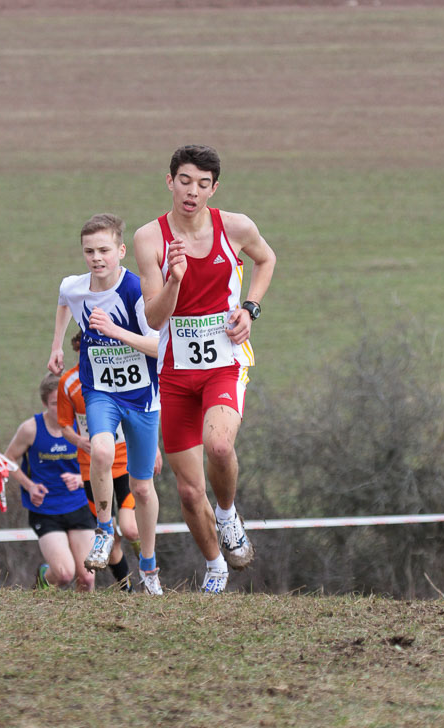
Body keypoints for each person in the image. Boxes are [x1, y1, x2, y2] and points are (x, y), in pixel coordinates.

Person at [133, 144, 276, 593]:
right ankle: (216, 567)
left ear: (214, 188)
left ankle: (228, 514)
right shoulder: (149, 239)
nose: (191, 192)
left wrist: (250, 308)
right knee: (189, 492)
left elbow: (266, 259)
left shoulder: (235, 227)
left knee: (218, 445)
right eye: (184, 181)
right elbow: (154, 319)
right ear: (170, 182)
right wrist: (174, 279)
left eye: (202, 184)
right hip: (175, 372)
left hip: (224, 363)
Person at [47, 213, 163, 596]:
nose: (96, 258)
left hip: (142, 395)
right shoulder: (74, 286)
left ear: (121, 251)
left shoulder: (137, 290)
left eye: (104, 250)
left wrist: (115, 331)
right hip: (100, 389)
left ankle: (149, 565)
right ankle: (102, 529)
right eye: (89, 251)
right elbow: (64, 301)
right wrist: (56, 346)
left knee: (142, 488)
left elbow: (159, 347)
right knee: (99, 449)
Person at [58, 332, 162, 592]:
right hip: (92, 468)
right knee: (111, 538)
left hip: (124, 461)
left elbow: (143, 416)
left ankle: (147, 565)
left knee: (129, 528)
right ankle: (126, 589)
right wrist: (79, 440)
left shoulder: (123, 368)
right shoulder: (69, 383)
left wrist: (155, 449)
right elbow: (64, 425)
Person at [3, 373, 96, 592]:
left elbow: (106, 462)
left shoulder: (84, 426)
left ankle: (85, 614)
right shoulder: (31, 429)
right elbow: (7, 459)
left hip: (80, 506)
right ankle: (44, 577)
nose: (62, 408)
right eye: (55, 403)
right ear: (45, 403)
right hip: (45, 510)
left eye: (66, 402)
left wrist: (82, 480)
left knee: (87, 578)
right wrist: (29, 486)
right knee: (64, 574)